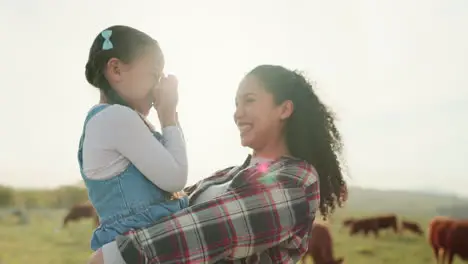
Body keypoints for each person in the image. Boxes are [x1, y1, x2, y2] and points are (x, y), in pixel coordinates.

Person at [88, 64, 347, 264]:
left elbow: (204, 231)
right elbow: (165, 210)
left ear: (284, 109)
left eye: (249, 100)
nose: (238, 113)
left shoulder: (296, 181)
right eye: (236, 103)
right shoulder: (228, 175)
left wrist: (116, 256)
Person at [80, 25, 189, 251]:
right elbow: (176, 177)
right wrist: (168, 114)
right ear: (116, 70)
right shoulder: (115, 118)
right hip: (139, 247)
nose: (157, 86)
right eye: (153, 75)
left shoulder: (110, 120)